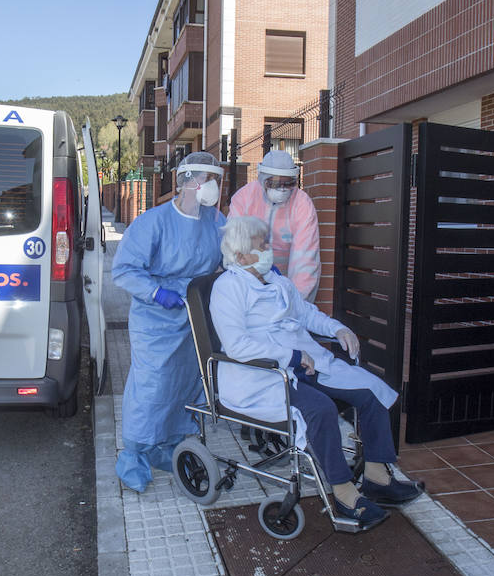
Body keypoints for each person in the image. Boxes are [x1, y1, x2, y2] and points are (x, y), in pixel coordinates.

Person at [209, 215, 422, 529]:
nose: (270, 249)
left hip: (306, 362)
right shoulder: (227, 288)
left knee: (370, 391)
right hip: (262, 374)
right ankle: (343, 491)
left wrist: (339, 329)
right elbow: (237, 345)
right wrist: (291, 356)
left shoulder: (276, 281)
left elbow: (306, 313)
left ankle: (377, 476)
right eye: (262, 244)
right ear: (241, 256)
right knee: (320, 409)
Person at [111, 151, 228, 492]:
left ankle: (169, 446)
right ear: (189, 180)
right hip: (156, 320)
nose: (214, 187)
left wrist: (257, 264)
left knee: (186, 384)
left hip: (194, 317)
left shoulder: (215, 220)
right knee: (152, 387)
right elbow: (124, 269)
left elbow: (232, 252)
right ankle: (133, 455)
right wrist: (157, 292)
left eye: (216, 180)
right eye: (209, 179)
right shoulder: (154, 221)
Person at [227, 149, 321, 301]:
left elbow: (306, 257)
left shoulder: (302, 203)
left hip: (288, 280)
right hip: (249, 276)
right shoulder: (244, 197)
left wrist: (294, 300)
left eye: (288, 183)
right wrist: (251, 283)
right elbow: (234, 245)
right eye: (275, 183)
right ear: (262, 179)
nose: (282, 188)